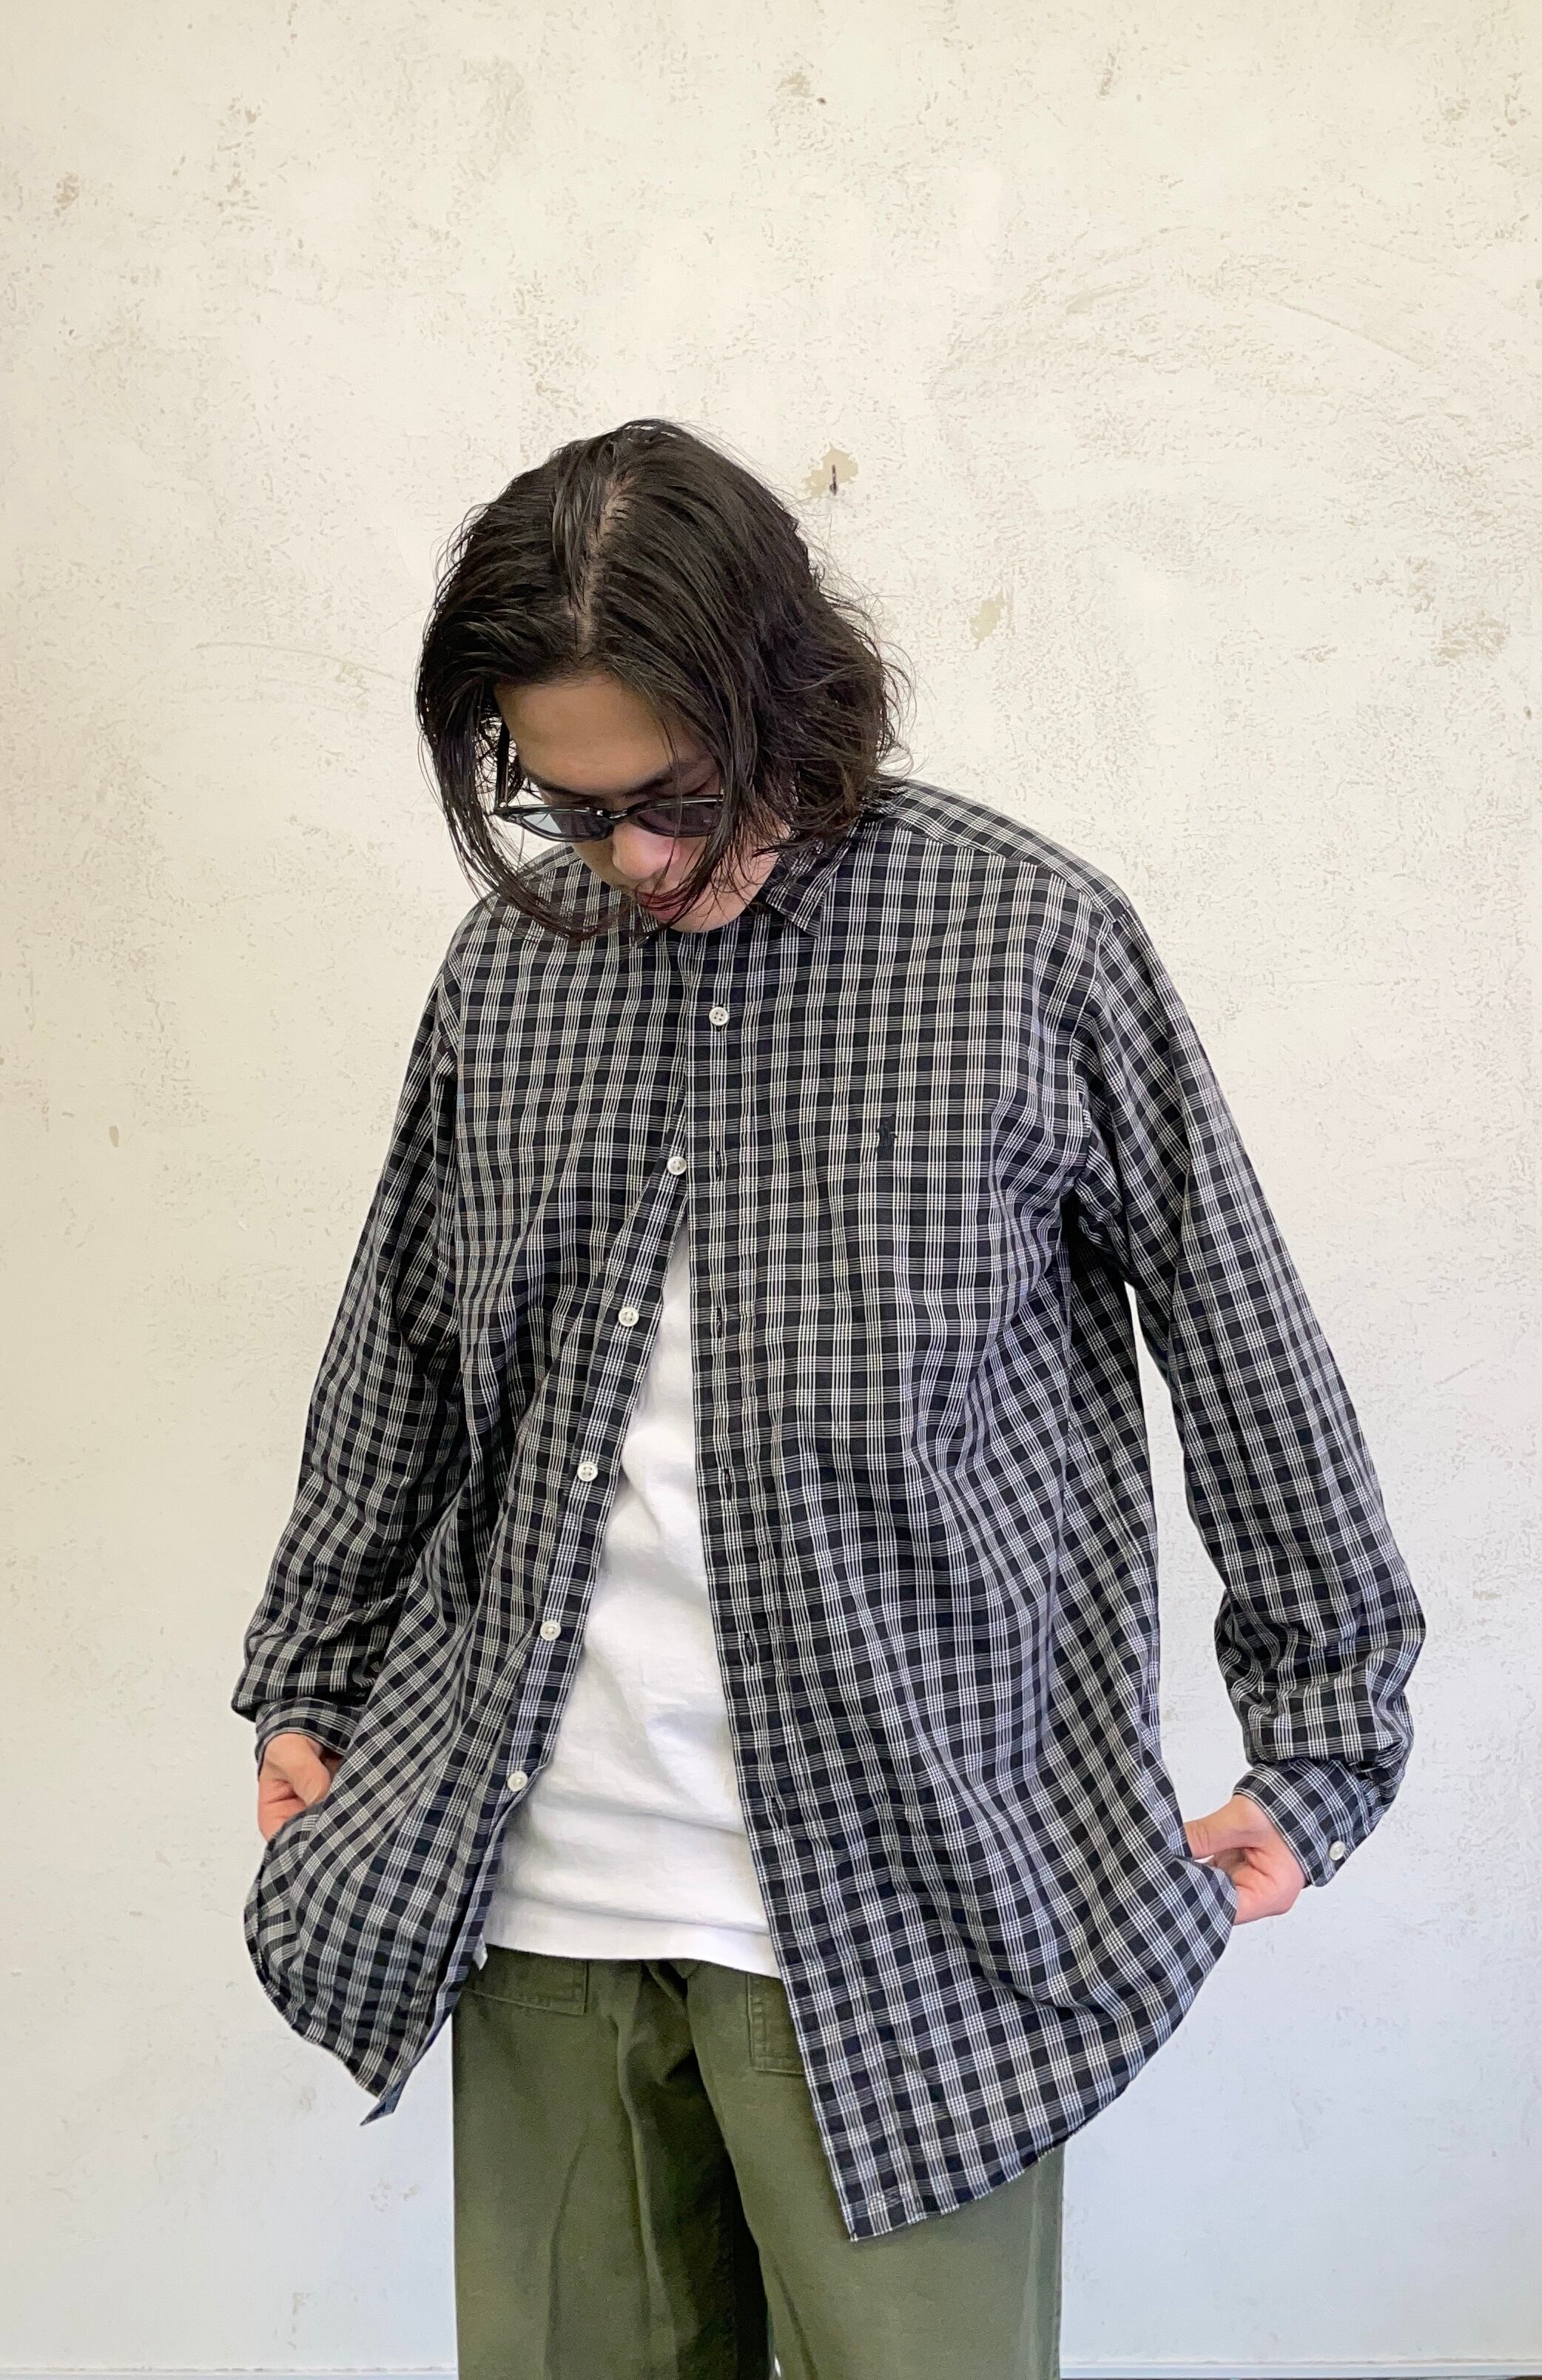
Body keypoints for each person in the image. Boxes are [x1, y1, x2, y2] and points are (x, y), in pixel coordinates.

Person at [234, 417, 1424, 2380]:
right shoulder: (510, 973)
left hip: (912, 1912)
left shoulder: (1026, 941)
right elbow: (403, 1358)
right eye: (569, 811)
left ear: (793, 703)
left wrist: (1320, 1751)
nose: (631, 864)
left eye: (678, 801)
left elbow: (1244, 1347)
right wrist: (311, 1681)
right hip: (536, 1894)